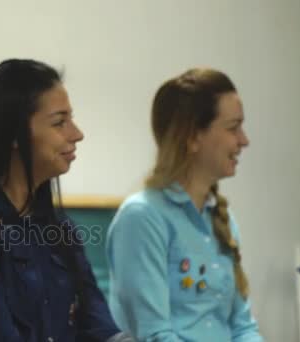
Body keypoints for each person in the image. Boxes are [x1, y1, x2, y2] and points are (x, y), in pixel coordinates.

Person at [0, 59, 128, 341]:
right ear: (14, 134)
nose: (77, 134)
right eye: (59, 122)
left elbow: (97, 321)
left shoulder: (58, 227)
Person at [106, 68, 264, 341]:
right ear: (192, 136)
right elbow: (155, 334)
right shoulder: (142, 217)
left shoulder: (221, 219)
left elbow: (243, 327)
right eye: (233, 127)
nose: (244, 140)